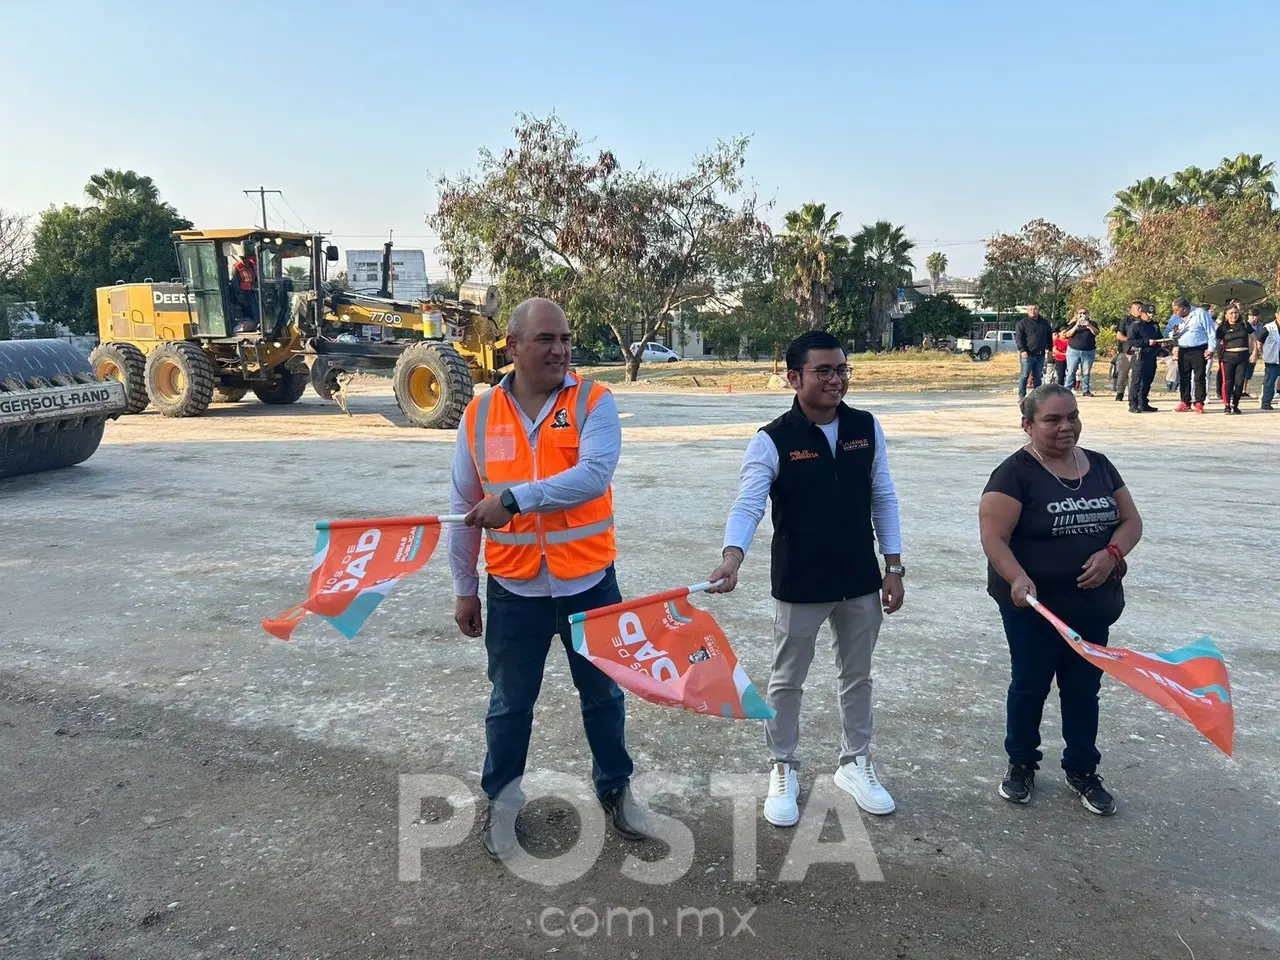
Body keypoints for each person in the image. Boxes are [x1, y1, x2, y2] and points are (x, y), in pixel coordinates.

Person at [448, 297, 648, 860]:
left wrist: (515, 499)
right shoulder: (478, 415)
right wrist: (465, 586)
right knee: (510, 703)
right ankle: (503, 802)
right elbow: (462, 505)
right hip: (513, 590)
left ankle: (616, 788)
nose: (560, 349)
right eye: (546, 339)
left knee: (603, 696)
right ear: (511, 346)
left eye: (564, 338)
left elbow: (591, 477)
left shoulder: (593, 402)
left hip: (589, 584)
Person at [706, 330, 904, 824]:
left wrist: (893, 566)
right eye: (824, 371)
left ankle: (855, 763)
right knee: (786, 680)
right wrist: (733, 556)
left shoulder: (865, 427)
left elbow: (884, 498)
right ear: (794, 378)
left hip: (860, 577)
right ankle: (783, 766)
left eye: (842, 370)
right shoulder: (772, 439)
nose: (836, 380)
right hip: (800, 580)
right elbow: (748, 504)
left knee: (857, 676)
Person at [978, 384, 1144, 816]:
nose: (1065, 426)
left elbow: (1131, 521)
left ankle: (1083, 769)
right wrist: (1016, 578)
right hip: (1036, 606)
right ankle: (1021, 764)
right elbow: (993, 537)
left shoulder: (1101, 466)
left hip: (1092, 605)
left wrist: (1112, 555)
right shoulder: (1014, 473)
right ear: (1027, 425)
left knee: (1083, 688)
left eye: (1071, 416)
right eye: (1052, 419)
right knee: (1031, 684)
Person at [1167, 297, 1216, 412]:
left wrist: (1211, 348)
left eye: (1176, 310)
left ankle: (1199, 402)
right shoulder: (1175, 318)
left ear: (1184, 309)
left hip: (1199, 348)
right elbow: (1167, 332)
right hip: (1183, 349)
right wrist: (1173, 333)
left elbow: (1210, 331)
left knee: (1199, 377)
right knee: (1184, 377)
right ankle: (1185, 401)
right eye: (1173, 310)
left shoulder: (1200, 313)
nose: (1174, 313)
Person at [1215, 303, 1256, 415]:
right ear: (1226, 315)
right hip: (1228, 357)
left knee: (1239, 382)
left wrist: (1254, 352)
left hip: (1243, 357)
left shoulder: (1244, 324)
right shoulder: (1222, 328)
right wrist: (1219, 356)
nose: (1234, 315)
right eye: (1231, 313)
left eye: (1236, 313)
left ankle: (1235, 404)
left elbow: (1253, 336)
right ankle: (1227, 405)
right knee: (1227, 382)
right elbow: (1218, 343)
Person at [1126, 302, 1162, 414]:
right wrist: (1146, 342)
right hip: (1139, 356)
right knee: (1136, 381)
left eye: (1152, 314)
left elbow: (1159, 337)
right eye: (1148, 313)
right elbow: (1131, 340)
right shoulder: (1136, 325)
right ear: (1142, 313)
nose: (1151, 316)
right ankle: (1133, 404)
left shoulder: (1154, 325)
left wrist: (1163, 343)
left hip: (1151, 355)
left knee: (1147, 380)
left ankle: (1143, 403)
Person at [1015, 305, 1053, 401]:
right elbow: (1019, 339)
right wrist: (1022, 350)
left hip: (1040, 354)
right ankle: (1022, 396)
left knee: (1037, 375)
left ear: (1038, 310)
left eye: (1035, 309)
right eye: (1031, 309)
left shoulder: (1044, 323)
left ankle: (1037, 397)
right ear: (1027, 311)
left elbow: (1049, 337)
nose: (1033, 311)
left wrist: (1050, 350)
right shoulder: (1022, 323)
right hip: (1027, 354)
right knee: (1025, 375)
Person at [1064, 309, 1099, 396]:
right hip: (1073, 351)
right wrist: (1076, 325)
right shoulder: (1072, 324)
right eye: (1080, 313)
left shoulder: (1093, 323)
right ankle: (1066, 390)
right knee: (1071, 371)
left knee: (1086, 372)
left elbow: (1096, 333)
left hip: (1088, 351)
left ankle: (1086, 390)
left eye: (1084, 313)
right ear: (1077, 314)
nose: (1082, 315)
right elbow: (1067, 335)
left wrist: (1089, 325)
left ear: (1088, 314)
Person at [1113, 301, 1140, 402]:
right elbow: (1119, 336)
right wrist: (1131, 339)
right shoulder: (1125, 321)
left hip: (1138, 351)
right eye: (1138, 308)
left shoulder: (1143, 321)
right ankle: (1120, 393)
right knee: (1122, 374)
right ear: (1131, 309)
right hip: (1126, 351)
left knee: (1136, 375)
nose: (1140, 310)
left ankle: (1133, 395)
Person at [1255, 310, 1280, 410]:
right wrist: (1262, 352)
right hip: (1272, 359)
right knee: (1270, 381)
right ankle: (1266, 402)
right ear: (1276, 315)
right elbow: (1259, 341)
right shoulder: (1268, 327)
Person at [231, 251, 260, 329]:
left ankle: (257, 323)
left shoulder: (252, 265)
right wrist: (239, 295)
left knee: (256, 309)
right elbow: (235, 282)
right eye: (242, 258)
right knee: (249, 311)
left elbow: (255, 277)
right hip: (243, 293)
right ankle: (249, 325)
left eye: (245, 258)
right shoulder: (237, 267)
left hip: (253, 291)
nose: (244, 260)